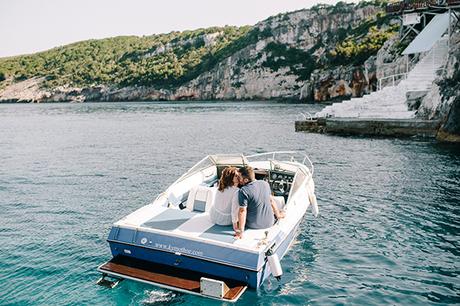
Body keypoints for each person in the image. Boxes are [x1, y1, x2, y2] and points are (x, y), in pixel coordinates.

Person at [235, 166, 284, 239]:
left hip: (253, 225)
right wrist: (278, 215)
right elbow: (271, 201)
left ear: (245, 180)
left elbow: (242, 211)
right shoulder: (265, 184)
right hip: (270, 223)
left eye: (239, 177)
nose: (238, 179)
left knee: (237, 219)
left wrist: (240, 232)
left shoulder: (243, 191)